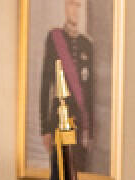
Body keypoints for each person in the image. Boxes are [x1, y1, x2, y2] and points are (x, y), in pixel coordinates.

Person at [36, 0, 96, 167]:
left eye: (78, 5)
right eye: (71, 4)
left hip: (80, 124)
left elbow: (90, 91)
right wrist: (45, 128)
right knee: (60, 172)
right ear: (65, 7)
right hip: (59, 120)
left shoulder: (87, 45)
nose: (74, 10)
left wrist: (89, 131)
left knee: (80, 173)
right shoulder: (54, 39)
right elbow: (46, 85)